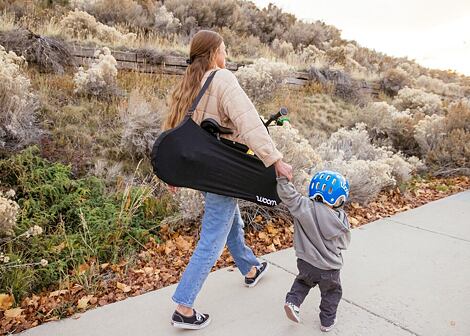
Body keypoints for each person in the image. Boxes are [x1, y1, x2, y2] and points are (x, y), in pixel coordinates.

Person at [163, 30, 293, 330]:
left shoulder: (189, 82)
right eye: (224, 49)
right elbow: (249, 122)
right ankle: (184, 307)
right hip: (222, 168)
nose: (227, 55)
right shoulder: (222, 79)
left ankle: (250, 268)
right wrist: (275, 160)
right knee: (212, 238)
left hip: (201, 171)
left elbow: (174, 130)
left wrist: (172, 172)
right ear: (213, 54)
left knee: (231, 221)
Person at [276, 170, 351, 332]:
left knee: (303, 282)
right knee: (332, 292)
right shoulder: (341, 219)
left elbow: (289, 195)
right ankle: (327, 321)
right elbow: (344, 244)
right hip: (329, 268)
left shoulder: (303, 206)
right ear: (339, 199)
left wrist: (282, 179)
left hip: (306, 262)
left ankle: (293, 303)